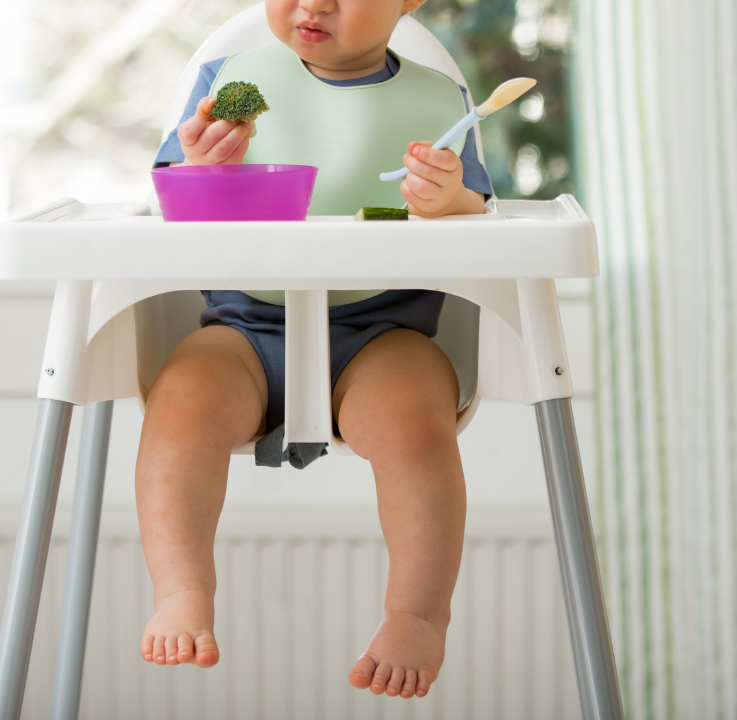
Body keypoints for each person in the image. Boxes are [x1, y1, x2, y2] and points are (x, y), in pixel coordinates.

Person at [137, 0, 492, 700]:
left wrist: (448, 199)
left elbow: (478, 212)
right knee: (179, 402)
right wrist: (203, 173)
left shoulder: (437, 101)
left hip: (384, 328)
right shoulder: (228, 80)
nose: (314, 3)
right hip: (243, 326)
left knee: (418, 420)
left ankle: (417, 612)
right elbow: (166, 210)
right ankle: (181, 589)